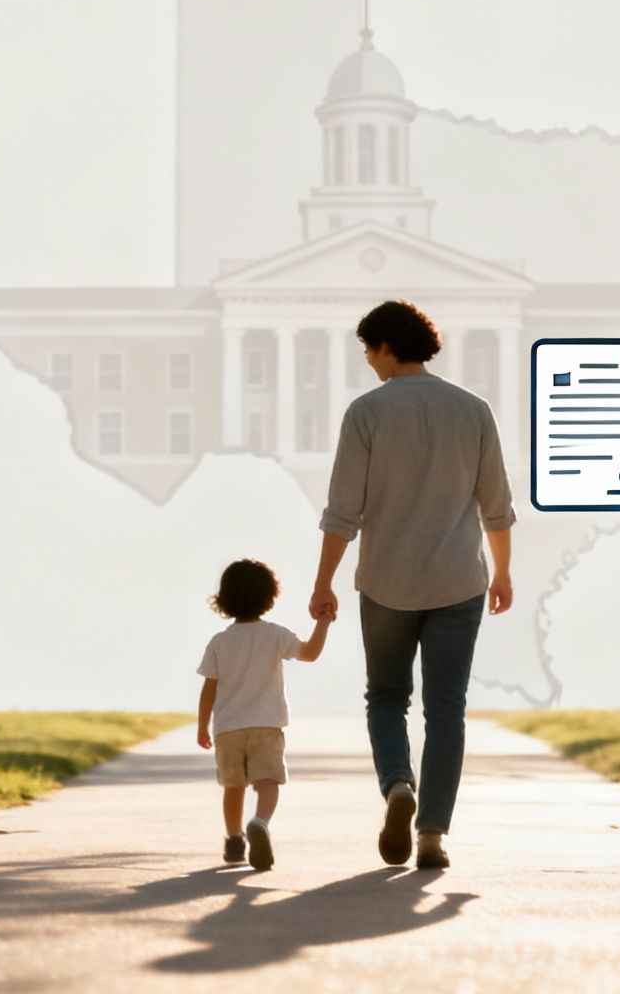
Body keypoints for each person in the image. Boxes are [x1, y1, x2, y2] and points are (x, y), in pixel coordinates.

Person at [310, 299, 517, 871]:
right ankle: (431, 834)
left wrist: (323, 582)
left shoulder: (366, 412)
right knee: (447, 709)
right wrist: (502, 572)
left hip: (385, 582)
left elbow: (341, 512)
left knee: (386, 698)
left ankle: (398, 785)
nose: (368, 362)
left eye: (368, 350)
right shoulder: (473, 410)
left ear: (385, 347)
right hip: (458, 581)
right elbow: (496, 507)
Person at [196, 557, 333, 871]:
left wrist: (203, 726)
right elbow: (310, 653)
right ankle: (260, 821)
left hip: (228, 730)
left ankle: (233, 839)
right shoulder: (275, 635)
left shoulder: (219, 642)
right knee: (267, 781)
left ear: (225, 599)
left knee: (234, 786)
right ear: (269, 596)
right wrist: (322, 623)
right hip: (267, 725)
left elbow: (209, 690)